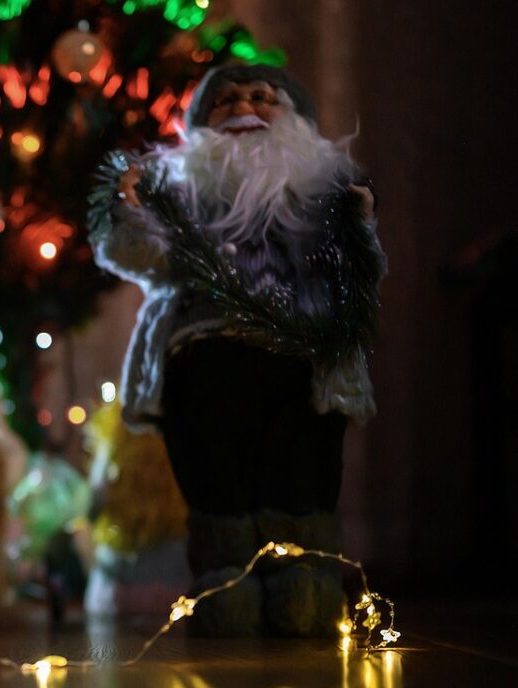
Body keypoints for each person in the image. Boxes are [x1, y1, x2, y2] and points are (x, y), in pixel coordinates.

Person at [88, 64, 386, 636]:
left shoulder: (323, 194)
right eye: (226, 101)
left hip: (300, 354)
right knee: (214, 475)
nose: (245, 107)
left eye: (262, 97)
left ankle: (304, 584)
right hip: (202, 351)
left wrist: (358, 227)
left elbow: (357, 272)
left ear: (296, 119)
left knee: (300, 471)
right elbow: (136, 254)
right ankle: (226, 585)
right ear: (201, 124)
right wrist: (127, 209)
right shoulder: (179, 192)